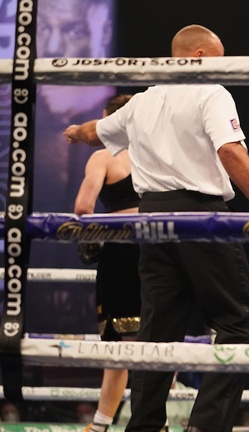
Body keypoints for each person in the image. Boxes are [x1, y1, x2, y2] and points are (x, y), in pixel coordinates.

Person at [64, 24, 249, 432]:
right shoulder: (210, 93)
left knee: (156, 335)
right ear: (195, 56)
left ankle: (142, 427)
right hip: (200, 215)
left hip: (153, 219)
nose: (225, 69)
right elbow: (229, 149)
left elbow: (95, 132)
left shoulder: (142, 102)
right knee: (236, 324)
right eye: (218, 58)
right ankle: (205, 427)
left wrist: (75, 132)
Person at [72, 94, 140, 432]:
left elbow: (83, 206)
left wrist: (92, 237)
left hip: (120, 251)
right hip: (164, 252)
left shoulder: (103, 157)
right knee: (160, 342)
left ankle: (99, 426)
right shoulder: (160, 154)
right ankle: (149, 421)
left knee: (118, 347)